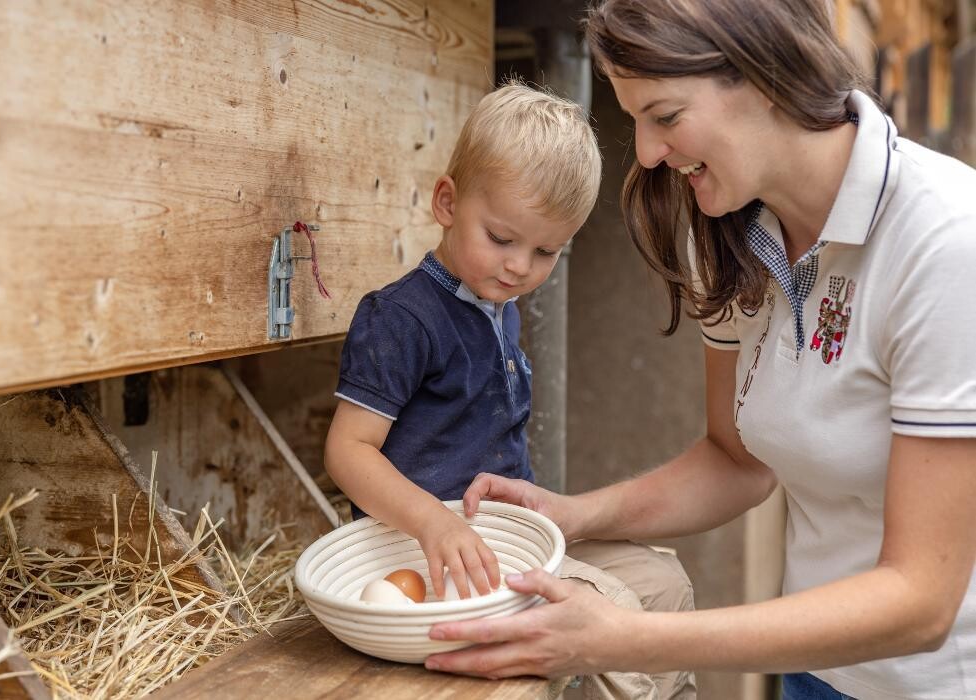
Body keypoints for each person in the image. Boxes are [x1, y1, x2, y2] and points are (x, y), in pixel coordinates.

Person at [423, 2, 976, 699]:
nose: (648, 152)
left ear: (764, 74)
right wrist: (570, 513)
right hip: (813, 668)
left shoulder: (946, 243)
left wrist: (627, 638)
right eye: (635, 121)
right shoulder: (723, 228)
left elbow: (920, 601)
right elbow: (735, 460)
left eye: (665, 116)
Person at [325, 81, 697, 698]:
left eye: (547, 250)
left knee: (666, 581)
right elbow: (347, 450)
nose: (520, 266)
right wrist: (433, 525)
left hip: (503, 542)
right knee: (622, 612)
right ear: (447, 202)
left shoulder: (499, 307)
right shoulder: (401, 318)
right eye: (501, 238)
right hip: (432, 554)